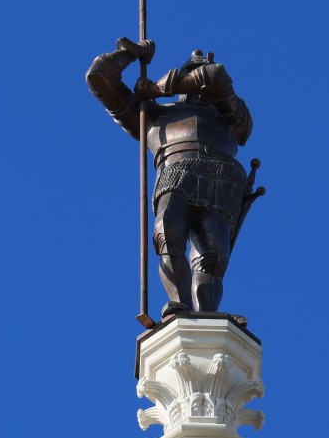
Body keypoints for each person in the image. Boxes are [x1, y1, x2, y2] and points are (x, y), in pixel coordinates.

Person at [87, 38, 261, 317]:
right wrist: (130, 53)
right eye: (190, 73)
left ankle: (207, 316)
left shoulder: (233, 118)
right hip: (175, 172)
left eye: (193, 76)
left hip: (221, 177)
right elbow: (99, 78)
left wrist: (158, 88)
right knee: (167, 230)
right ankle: (180, 303)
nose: (194, 80)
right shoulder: (152, 116)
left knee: (212, 254)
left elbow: (215, 76)